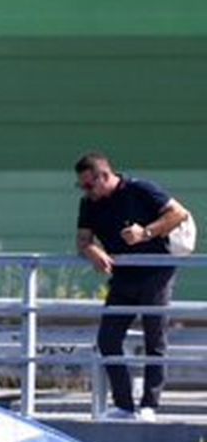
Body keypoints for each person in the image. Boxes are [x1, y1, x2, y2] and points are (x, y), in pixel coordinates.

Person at [75, 151, 192, 420]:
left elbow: (178, 214)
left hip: (156, 271)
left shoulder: (140, 189)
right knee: (108, 338)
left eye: (90, 184)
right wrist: (92, 250)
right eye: (82, 186)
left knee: (155, 336)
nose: (86, 190)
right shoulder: (89, 204)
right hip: (123, 275)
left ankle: (150, 404)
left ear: (105, 176)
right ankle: (125, 405)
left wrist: (146, 232)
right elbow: (83, 239)